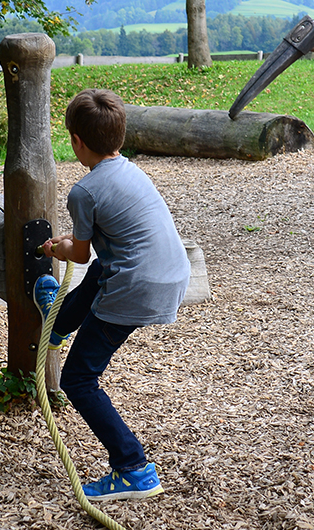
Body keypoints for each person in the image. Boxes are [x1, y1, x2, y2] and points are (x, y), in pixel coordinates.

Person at [34, 88, 190, 501]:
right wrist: (76, 243)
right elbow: (103, 247)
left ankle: (133, 468)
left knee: (79, 379)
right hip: (171, 273)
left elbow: (79, 254)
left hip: (136, 287)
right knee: (106, 264)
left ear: (77, 141)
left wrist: (56, 248)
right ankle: (59, 321)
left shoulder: (84, 191)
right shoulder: (131, 171)